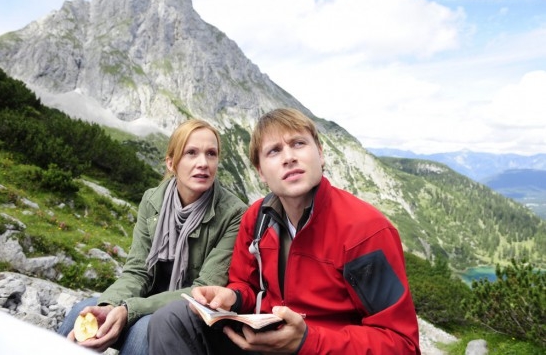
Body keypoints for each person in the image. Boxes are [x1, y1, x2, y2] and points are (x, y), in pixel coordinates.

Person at [148, 108, 420, 354]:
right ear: (261, 172)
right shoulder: (256, 218)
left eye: (298, 144)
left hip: (323, 349)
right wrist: (233, 296)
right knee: (171, 320)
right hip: (264, 343)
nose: (289, 157)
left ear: (321, 154)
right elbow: (247, 285)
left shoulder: (365, 230)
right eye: (274, 151)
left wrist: (307, 341)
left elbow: (403, 344)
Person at [57, 119, 247, 355]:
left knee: (143, 330)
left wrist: (129, 310)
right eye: (191, 153)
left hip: (190, 316)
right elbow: (137, 270)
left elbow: (203, 290)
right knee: (83, 312)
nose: (203, 163)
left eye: (211, 154)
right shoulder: (151, 200)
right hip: (143, 303)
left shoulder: (235, 214)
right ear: (171, 163)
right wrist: (110, 305)